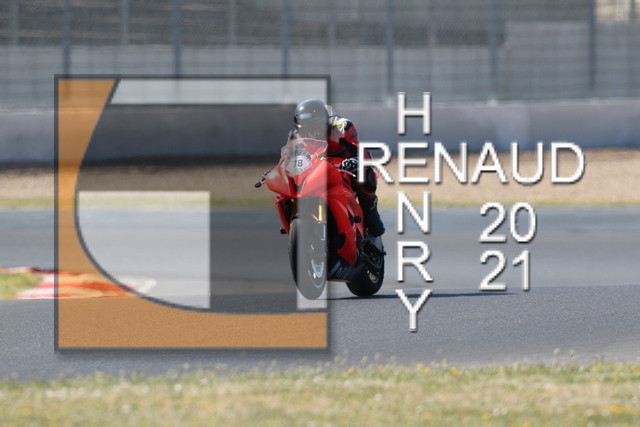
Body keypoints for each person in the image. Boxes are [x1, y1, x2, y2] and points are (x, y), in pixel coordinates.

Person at [287, 98, 385, 244]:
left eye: (315, 127)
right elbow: (288, 158)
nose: (311, 133)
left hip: (343, 164)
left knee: (366, 175)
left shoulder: (341, 127)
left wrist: (355, 161)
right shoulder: (294, 136)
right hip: (314, 167)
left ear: (326, 122)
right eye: (305, 129)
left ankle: (370, 213)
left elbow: (362, 152)